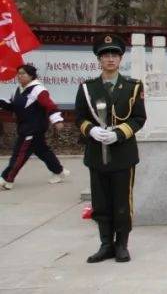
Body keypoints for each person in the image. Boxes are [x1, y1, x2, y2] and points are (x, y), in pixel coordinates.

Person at [75, 34, 146, 263]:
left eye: (114, 55)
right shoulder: (88, 88)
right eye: (105, 55)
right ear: (99, 59)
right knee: (101, 201)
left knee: (122, 201)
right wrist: (91, 131)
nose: (110, 59)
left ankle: (122, 244)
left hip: (123, 153)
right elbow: (80, 118)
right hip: (97, 154)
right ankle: (105, 244)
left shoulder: (132, 87)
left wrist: (118, 133)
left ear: (120, 58)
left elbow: (138, 119)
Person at [0, 64, 69, 189]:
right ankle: (59, 171)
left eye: (23, 73)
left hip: (32, 129)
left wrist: (57, 120)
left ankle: (6, 179)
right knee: (42, 151)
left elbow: (50, 106)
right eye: (18, 73)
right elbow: (13, 106)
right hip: (24, 127)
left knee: (19, 154)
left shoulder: (38, 90)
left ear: (31, 76)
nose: (19, 76)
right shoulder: (18, 89)